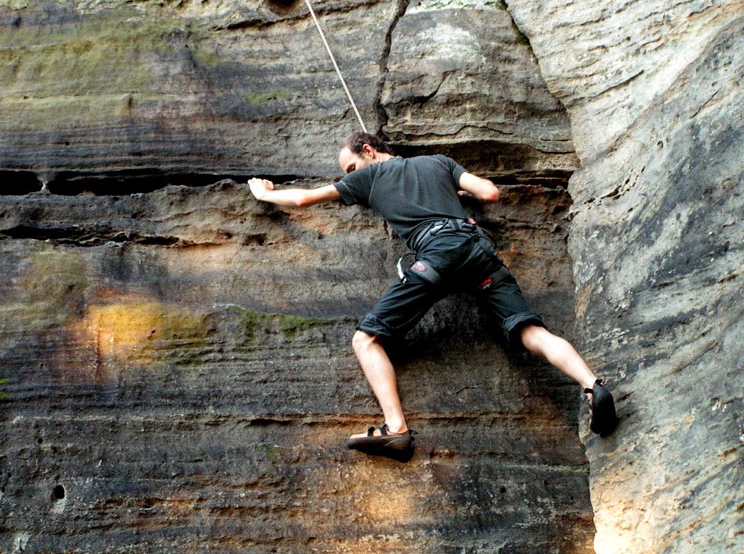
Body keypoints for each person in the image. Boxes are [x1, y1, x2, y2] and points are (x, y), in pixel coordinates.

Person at [248, 132, 617, 456]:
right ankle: (591, 385)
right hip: (480, 253)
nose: (352, 177)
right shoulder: (440, 163)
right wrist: (451, 192)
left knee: (366, 340)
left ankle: (396, 430)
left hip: (438, 255)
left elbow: (304, 200)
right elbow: (490, 192)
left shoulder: (369, 177)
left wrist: (266, 193)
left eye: (351, 168)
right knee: (530, 332)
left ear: (368, 150)